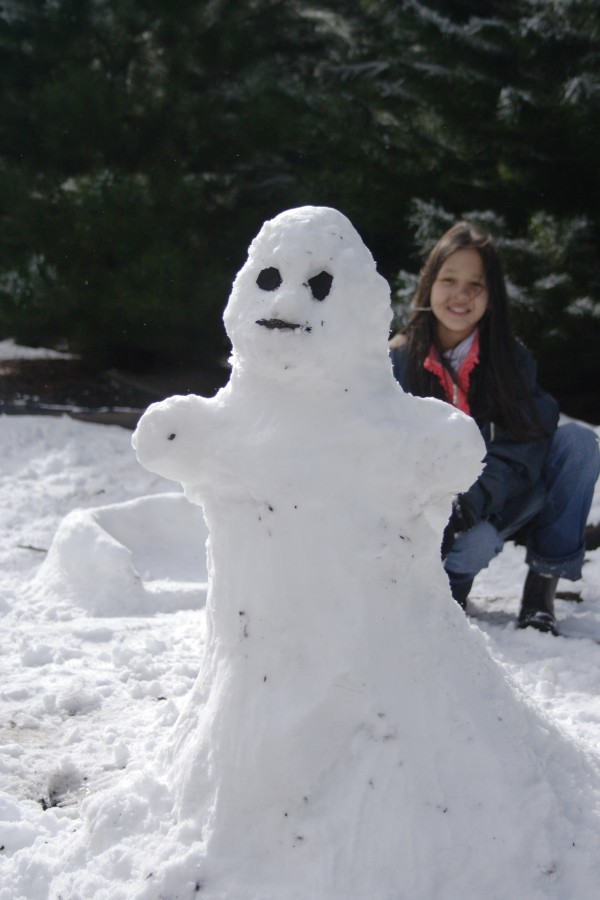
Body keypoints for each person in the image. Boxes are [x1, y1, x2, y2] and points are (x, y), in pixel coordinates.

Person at [390, 221, 600, 635]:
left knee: (577, 444)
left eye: (476, 285)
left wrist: (470, 503)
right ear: (429, 283)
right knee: (469, 556)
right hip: (427, 523)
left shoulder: (511, 359)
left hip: (496, 501)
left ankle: (540, 593)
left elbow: (527, 444)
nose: (461, 295)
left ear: (492, 295)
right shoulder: (396, 363)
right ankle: (443, 589)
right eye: (449, 280)